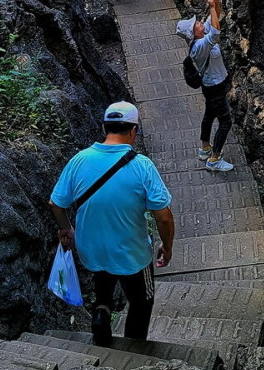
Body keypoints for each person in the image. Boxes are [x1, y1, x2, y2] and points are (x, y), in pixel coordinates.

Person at [49, 101, 174, 346]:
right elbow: (164, 217)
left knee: (102, 276)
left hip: (90, 248)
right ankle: (134, 347)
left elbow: (55, 204)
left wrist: (66, 228)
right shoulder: (142, 166)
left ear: (105, 127)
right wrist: (166, 247)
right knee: (142, 300)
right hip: (131, 253)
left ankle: (101, 313)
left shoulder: (79, 160)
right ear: (133, 131)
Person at [176, 0, 234, 172]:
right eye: (196, 25)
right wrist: (210, 6)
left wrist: (214, 1)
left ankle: (204, 148)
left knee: (209, 116)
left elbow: (217, 15)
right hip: (214, 87)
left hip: (214, 85)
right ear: (194, 33)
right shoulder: (199, 46)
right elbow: (216, 34)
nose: (200, 23)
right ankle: (214, 159)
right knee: (225, 122)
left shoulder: (203, 33)